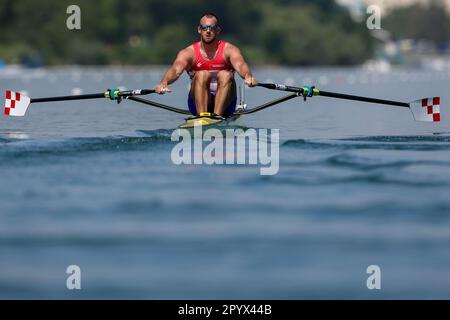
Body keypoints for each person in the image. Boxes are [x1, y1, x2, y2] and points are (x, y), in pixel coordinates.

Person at [155, 13, 257, 118]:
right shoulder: (188, 53)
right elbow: (176, 70)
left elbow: (240, 65)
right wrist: (164, 83)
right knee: (202, 74)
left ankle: (217, 116)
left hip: (227, 105)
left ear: (218, 30)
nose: (208, 31)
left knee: (225, 75)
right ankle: (202, 117)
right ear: (199, 30)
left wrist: (248, 76)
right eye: (204, 28)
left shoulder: (229, 50)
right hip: (196, 104)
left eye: (212, 28)